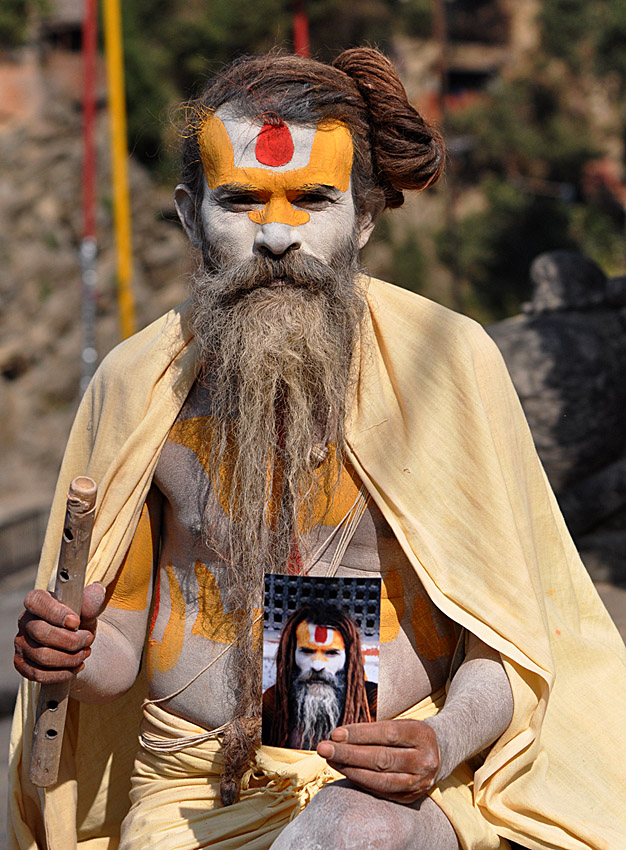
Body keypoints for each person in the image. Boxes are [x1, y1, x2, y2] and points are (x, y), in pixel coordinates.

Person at [9, 48, 626, 850]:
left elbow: (512, 642)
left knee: (348, 831)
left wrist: (441, 744)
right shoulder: (137, 385)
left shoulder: (449, 362)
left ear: (363, 217)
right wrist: (73, 658)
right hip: (190, 792)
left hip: (391, 798)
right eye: (240, 200)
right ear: (191, 214)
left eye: (312, 199)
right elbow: (118, 647)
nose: (275, 234)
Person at [262, 603, 377, 749]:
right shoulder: (273, 703)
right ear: (292, 654)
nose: (317, 665)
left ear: (349, 659)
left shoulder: (373, 704)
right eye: (307, 651)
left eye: (331, 653)